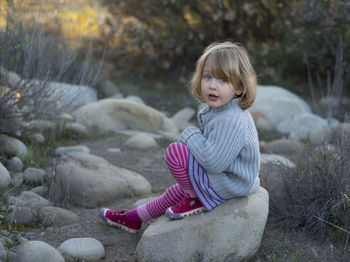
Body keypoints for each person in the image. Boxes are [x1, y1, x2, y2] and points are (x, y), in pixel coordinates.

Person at [99, 41, 260, 233]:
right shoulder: (222, 110)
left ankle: (196, 199)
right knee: (176, 191)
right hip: (228, 178)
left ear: (240, 87)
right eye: (208, 77)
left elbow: (213, 162)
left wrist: (189, 134)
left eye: (223, 80)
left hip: (230, 183)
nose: (213, 86)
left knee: (176, 152)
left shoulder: (231, 119)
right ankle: (134, 218)